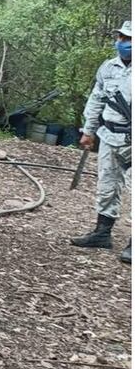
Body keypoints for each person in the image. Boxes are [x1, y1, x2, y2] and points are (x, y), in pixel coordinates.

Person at [71, 20, 132, 265]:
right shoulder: (108, 67)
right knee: (107, 184)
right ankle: (102, 233)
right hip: (109, 136)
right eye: (120, 38)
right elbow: (96, 99)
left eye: (127, 39)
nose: (122, 43)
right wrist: (89, 130)